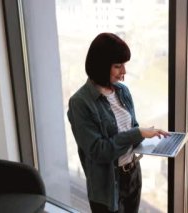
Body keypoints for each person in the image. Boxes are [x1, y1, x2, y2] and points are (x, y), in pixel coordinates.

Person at [67, 32, 169, 213]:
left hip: (132, 174)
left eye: (124, 65)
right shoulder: (80, 103)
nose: (124, 72)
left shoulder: (122, 92)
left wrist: (155, 141)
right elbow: (98, 151)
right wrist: (137, 134)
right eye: (117, 66)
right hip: (107, 186)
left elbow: (132, 129)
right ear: (101, 66)